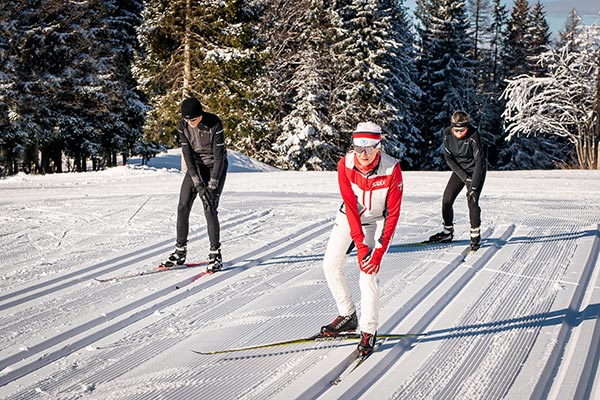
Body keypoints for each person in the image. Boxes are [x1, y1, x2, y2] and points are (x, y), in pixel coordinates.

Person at [320, 122, 403, 356]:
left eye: (369, 147)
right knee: (330, 265)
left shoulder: (392, 168)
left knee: (368, 275)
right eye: (358, 147)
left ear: (379, 146)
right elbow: (349, 205)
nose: (363, 154)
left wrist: (376, 252)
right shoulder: (345, 164)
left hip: (378, 221)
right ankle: (347, 315)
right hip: (351, 216)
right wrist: (359, 244)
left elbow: (393, 214)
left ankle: (368, 330)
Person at [160, 97, 228, 272]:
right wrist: (198, 183)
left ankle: (215, 254)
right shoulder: (183, 126)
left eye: (193, 120)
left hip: (215, 166)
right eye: (187, 120)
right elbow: (187, 154)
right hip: (196, 167)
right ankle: (180, 251)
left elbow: (220, 158)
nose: (190, 123)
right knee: (183, 206)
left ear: (201, 115)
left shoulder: (214, 123)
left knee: (209, 206)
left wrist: (212, 185)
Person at [428, 110, 486, 251]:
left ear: (467, 127)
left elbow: (480, 163)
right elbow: (449, 158)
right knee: (446, 201)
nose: (459, 133)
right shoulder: (447, 133)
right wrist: (464, 177)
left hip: (476, 171)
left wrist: (472, 186)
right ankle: (447, 233)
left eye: (463, 130)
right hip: (460, 170)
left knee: (472, 200)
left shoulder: (474, 136)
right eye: (456, 129)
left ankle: (475, 236)